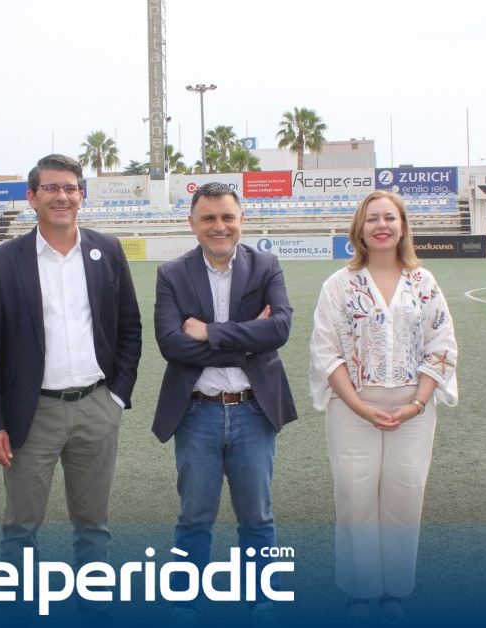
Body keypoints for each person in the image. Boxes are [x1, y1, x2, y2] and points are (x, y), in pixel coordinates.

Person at [0, 154, 141, 615]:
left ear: (81, 195)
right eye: (51, 188)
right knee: (21, 527)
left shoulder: (107, 250)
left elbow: (129, 328)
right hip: (31, 414)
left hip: (96, 407)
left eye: (70, 188)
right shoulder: (4, 260)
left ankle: (94, 607)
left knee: (93, 525)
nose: (62, 196)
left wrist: (116, 397)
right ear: (32, 197)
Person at [308, 189, 458, 624]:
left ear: (403, 227)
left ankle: (394, 591)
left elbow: (441, 345)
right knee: (354, 496)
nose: (382, 225)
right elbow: (326, 351)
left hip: (413, 409)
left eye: (390, 218)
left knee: (404, 496)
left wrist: (417, 403)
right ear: (360, 228)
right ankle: (359, 593)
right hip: (352, 409)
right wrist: (358, 405)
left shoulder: (423, 282)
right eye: (373, 218)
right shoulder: (339, 284)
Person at [151, 182, 296, 624]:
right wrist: (247, 339)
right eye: (209, 218)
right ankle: (185, 601)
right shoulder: (172, 273)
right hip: (197, 412)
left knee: (257, 516)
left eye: (227, 217)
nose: (219, 226)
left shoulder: (266, 265)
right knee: (194, 516)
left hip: (254, 410)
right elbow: (171, 344)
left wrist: (210, 333)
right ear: (192, 223)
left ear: (241, 220)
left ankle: (262, 599)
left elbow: (280, 329)